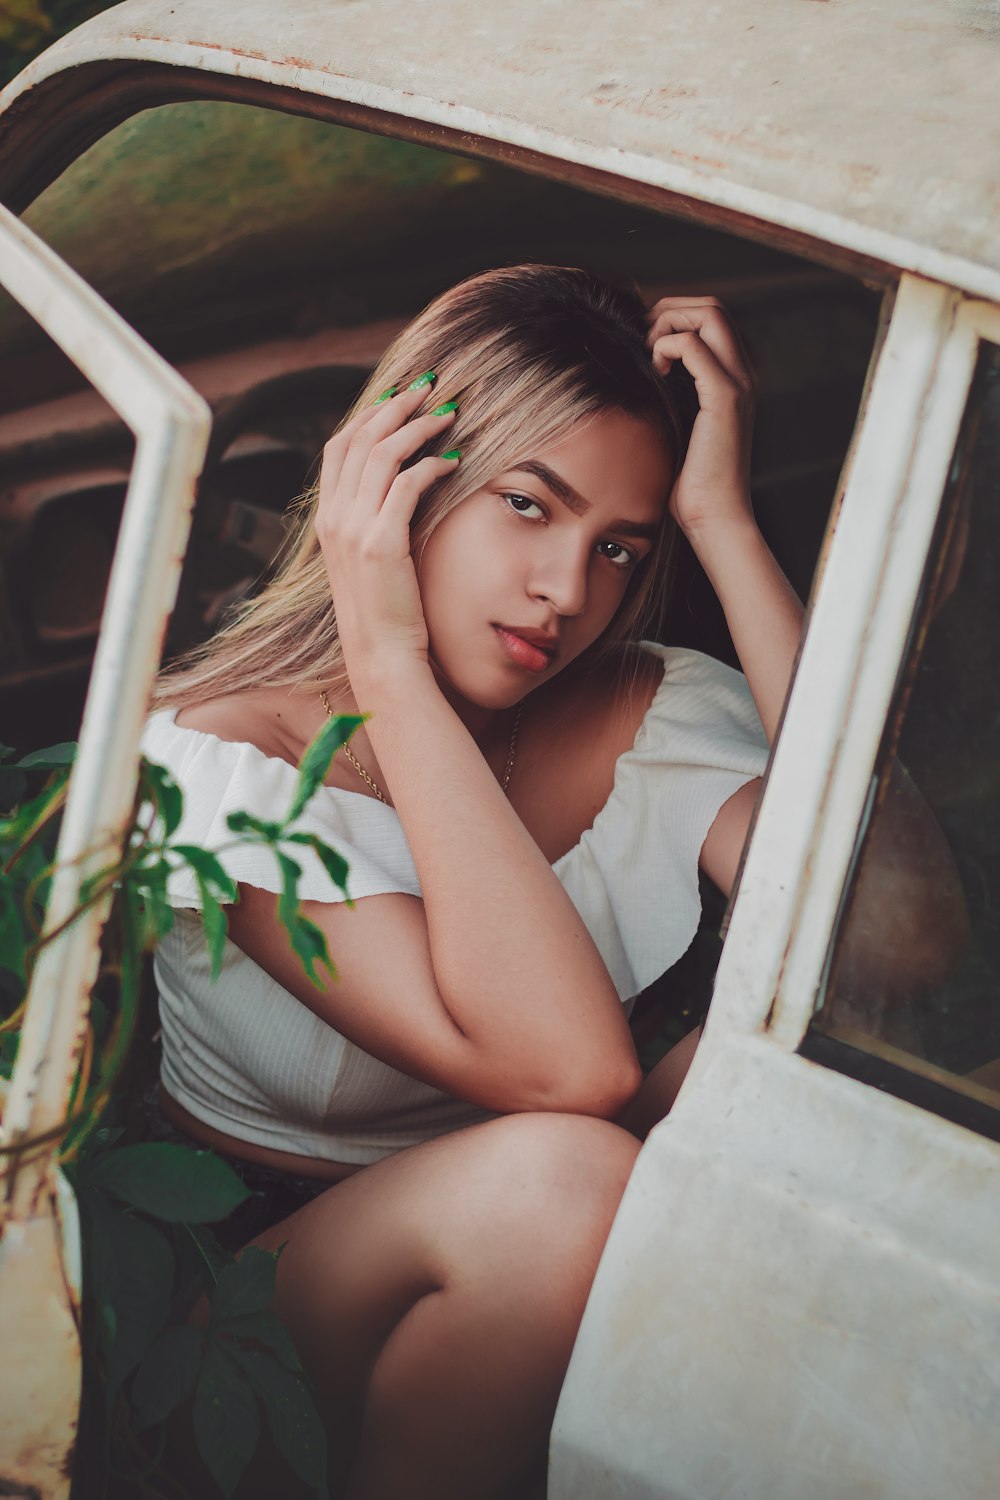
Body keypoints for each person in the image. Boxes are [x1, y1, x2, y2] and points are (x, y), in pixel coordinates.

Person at [139, 264, 809, 1498]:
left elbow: (907, 944)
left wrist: (725, 524)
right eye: (524, 505)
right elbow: (570, 1076)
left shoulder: (652, 707)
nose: (568, 593)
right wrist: (385, 662)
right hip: (241, 1301)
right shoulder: (219, 763)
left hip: (552, 1252)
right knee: (564, 1186)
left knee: (775, 1061)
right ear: (396, 491)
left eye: (619, 546)